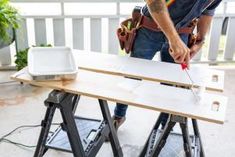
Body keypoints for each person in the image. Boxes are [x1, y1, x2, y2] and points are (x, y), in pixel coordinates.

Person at [112, 0, 222, 130]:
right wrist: (174, 39)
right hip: (149, 29)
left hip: (182, 33)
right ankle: (118, 116)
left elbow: (208, 12)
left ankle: (164, 126)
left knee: (172, 84)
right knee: (132, 77)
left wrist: (200, 40)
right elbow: (154, 2)